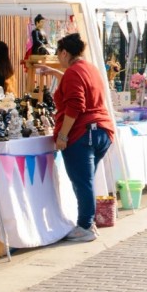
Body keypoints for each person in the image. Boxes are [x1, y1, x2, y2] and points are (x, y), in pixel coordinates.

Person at [37, 33, 116, 243]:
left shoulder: (73, 73)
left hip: (83, 133)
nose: (58, 58)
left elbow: (75, 105)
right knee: (86, 180)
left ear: (64, 52)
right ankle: (87, 222)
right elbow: (79, 89)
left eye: (58, 54)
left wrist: (63, 135)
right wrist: (56, 73)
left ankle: (85, 225)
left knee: (83, 182)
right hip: (102, 131)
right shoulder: (91, 69)